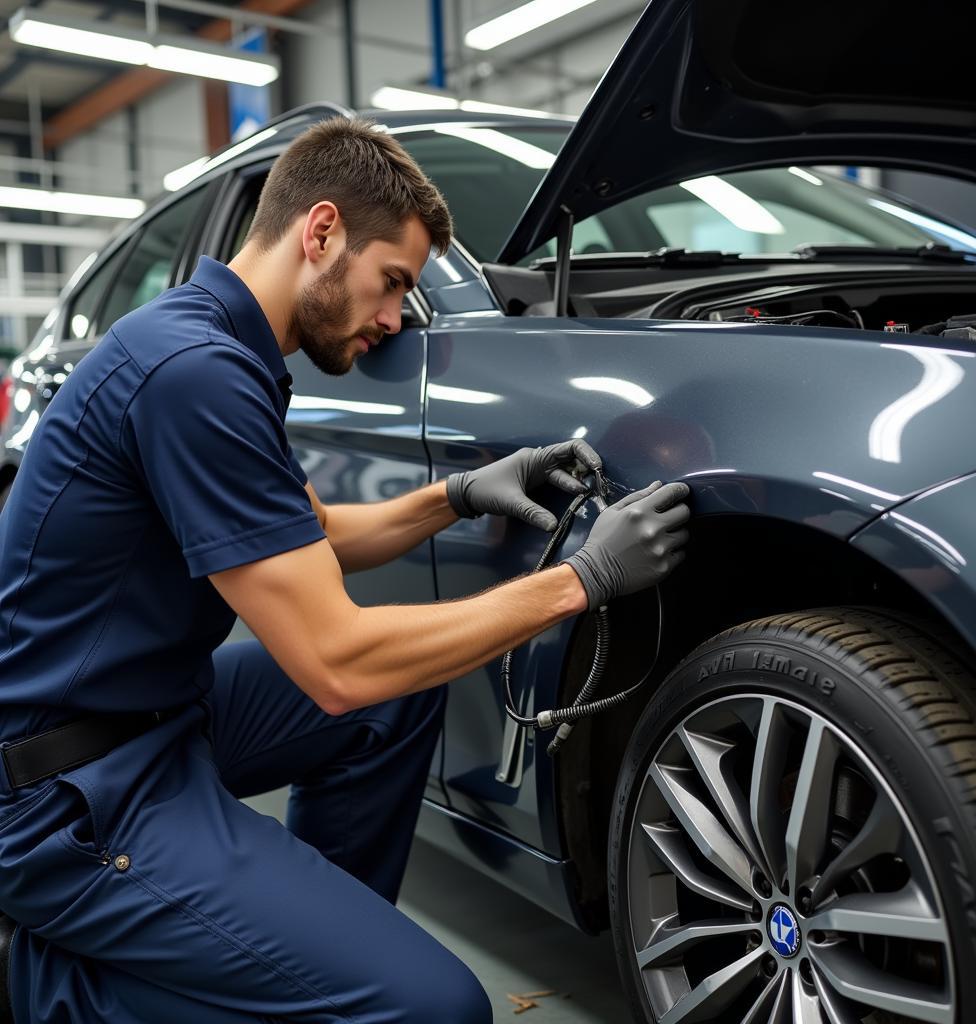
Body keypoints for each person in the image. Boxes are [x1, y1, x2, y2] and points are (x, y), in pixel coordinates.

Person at [0, 116, 690, 1022]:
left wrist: (461, 495)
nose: (396, 317)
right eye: (392, 282)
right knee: (438, 1008)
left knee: (399, 700)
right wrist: (580, 582)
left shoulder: (221, 347)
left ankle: (288, 952)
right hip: (64, 791)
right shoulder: (193, 372)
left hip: (156, 710)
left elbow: (315, 535)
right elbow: (335, 665)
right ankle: (39, 979)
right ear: (320, 231)